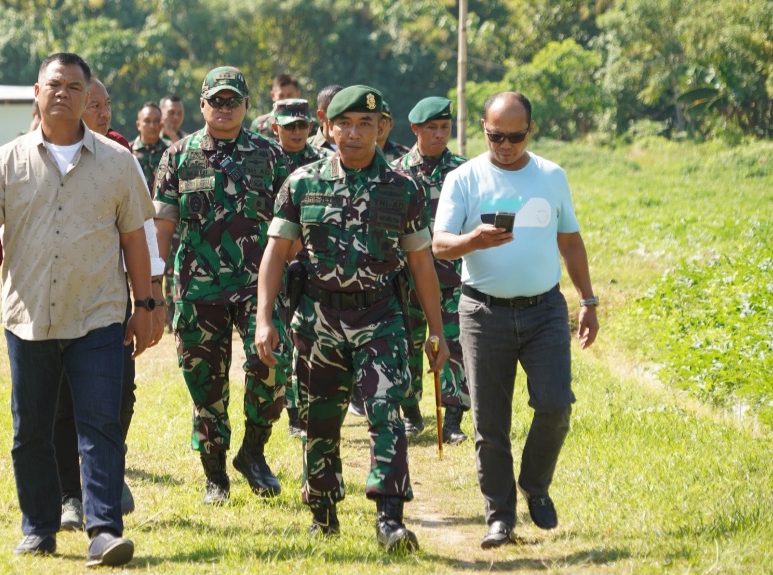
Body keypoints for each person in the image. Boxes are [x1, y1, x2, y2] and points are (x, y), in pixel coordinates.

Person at [0, 52, 158, 567]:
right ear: (37, 93)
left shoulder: (117, 162)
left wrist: (146, 303)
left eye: (73, 87)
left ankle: (104, 530)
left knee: (100, 425)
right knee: (31, 430)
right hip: (29, 320)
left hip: (98, 317)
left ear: (88, 98)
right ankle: (39, 528)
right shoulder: (8, 160)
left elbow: (135, 238)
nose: (63, 93)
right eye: (54, 85)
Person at [255, 85, 450, 552]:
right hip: (318, 320)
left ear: (383, 128)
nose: (355, 133)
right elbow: (275, 254)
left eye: (366, 124)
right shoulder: (302, 183)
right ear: (328, 128)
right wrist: (264, 318)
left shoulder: (404, 187)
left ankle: (389, 518)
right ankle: (323, 514)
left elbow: (421, 263)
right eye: (344, 124)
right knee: (320, 420)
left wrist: (437, 329)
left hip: (381, 316)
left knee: (386, 413)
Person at [432, 91, 598, 549]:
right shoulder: (463, 178)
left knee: (555, 405)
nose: (505, 145)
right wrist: (474, 240)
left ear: (531, 130)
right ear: (482, 129)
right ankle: (500, 518)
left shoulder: (551, 175)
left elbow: (570, 242)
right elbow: (440, 245)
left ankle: (534, 485)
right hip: (483, 313)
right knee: (490, 424)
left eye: (515, 136)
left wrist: (588, 300)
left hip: (545, 310)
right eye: (495, 136)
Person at [152, 66, 291, 505]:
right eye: (217, 100)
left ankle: (253, 452)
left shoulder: (270, 156)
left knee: (272, 370)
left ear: (247, 105)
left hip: (258, 289)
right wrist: (153, 287)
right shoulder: (178, 156)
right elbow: (162, 226)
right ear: (202, 105)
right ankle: (215, 475)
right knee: (205, 386)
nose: (225, 108)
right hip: (198, 291)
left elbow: (289, 226)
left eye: (233, 101)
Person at [391, 96, 469, 444]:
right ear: (415, 129)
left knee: (454, 342)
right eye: (431, 128)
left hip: (452, 276)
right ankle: (410, 412)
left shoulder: (464, 171)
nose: (439, 134)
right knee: (406, 344)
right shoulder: (395, 172)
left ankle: (452, 418)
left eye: (444, 128)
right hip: (407, 277)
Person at [267, 97, 325, 438]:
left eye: (302, 125)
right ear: (276, 127)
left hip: (312, 265)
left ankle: (309, 407)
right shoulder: (265, 161)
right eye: (289, 126)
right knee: (284, 339)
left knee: (311, 339)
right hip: (276, 262)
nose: (297, 131)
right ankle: (292, 413)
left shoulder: (323, 162)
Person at [130, 101, 175, 331]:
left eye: (156, 121)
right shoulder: (128, 153)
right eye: (147, 121)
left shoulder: (171, 152)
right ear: (138, 124)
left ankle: (171, 318)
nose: (151, 125)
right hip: (136, 222)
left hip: (165, 221)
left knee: (170, 270)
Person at [251, 74, 304, 141]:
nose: (285, 100)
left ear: (298, 95)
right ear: (273, 95)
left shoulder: (306, 124)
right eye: (281, 96)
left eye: (289, 96)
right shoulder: (259, 125)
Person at [305, 84, 343, 154]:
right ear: (321, 115)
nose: (343, 116)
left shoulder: (358, 147)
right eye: (337, 111)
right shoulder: (305, 148)